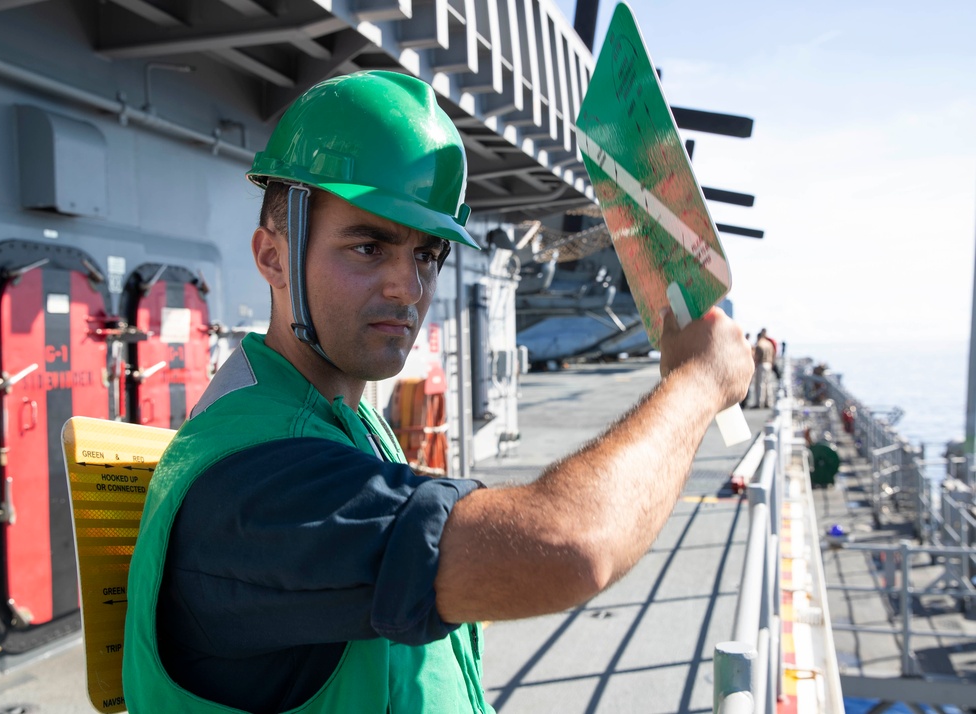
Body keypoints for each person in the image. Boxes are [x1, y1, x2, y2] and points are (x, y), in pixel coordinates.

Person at [123, 70, 754, 713]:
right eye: (369, 247)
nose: (408, 287)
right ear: (273, 257)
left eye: (426, 256)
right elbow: (572, 547)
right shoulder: (257, 484)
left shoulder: (347, 419)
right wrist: (698, 382)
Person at [753, 328, 777, 408]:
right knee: (768, 384)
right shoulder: (769, 344)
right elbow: (774, 354)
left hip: (761, 364)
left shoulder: (759, 344)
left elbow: (757, 357)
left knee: (760, 384)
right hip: (769, 364)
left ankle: (759, 403)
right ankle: (769, 402)